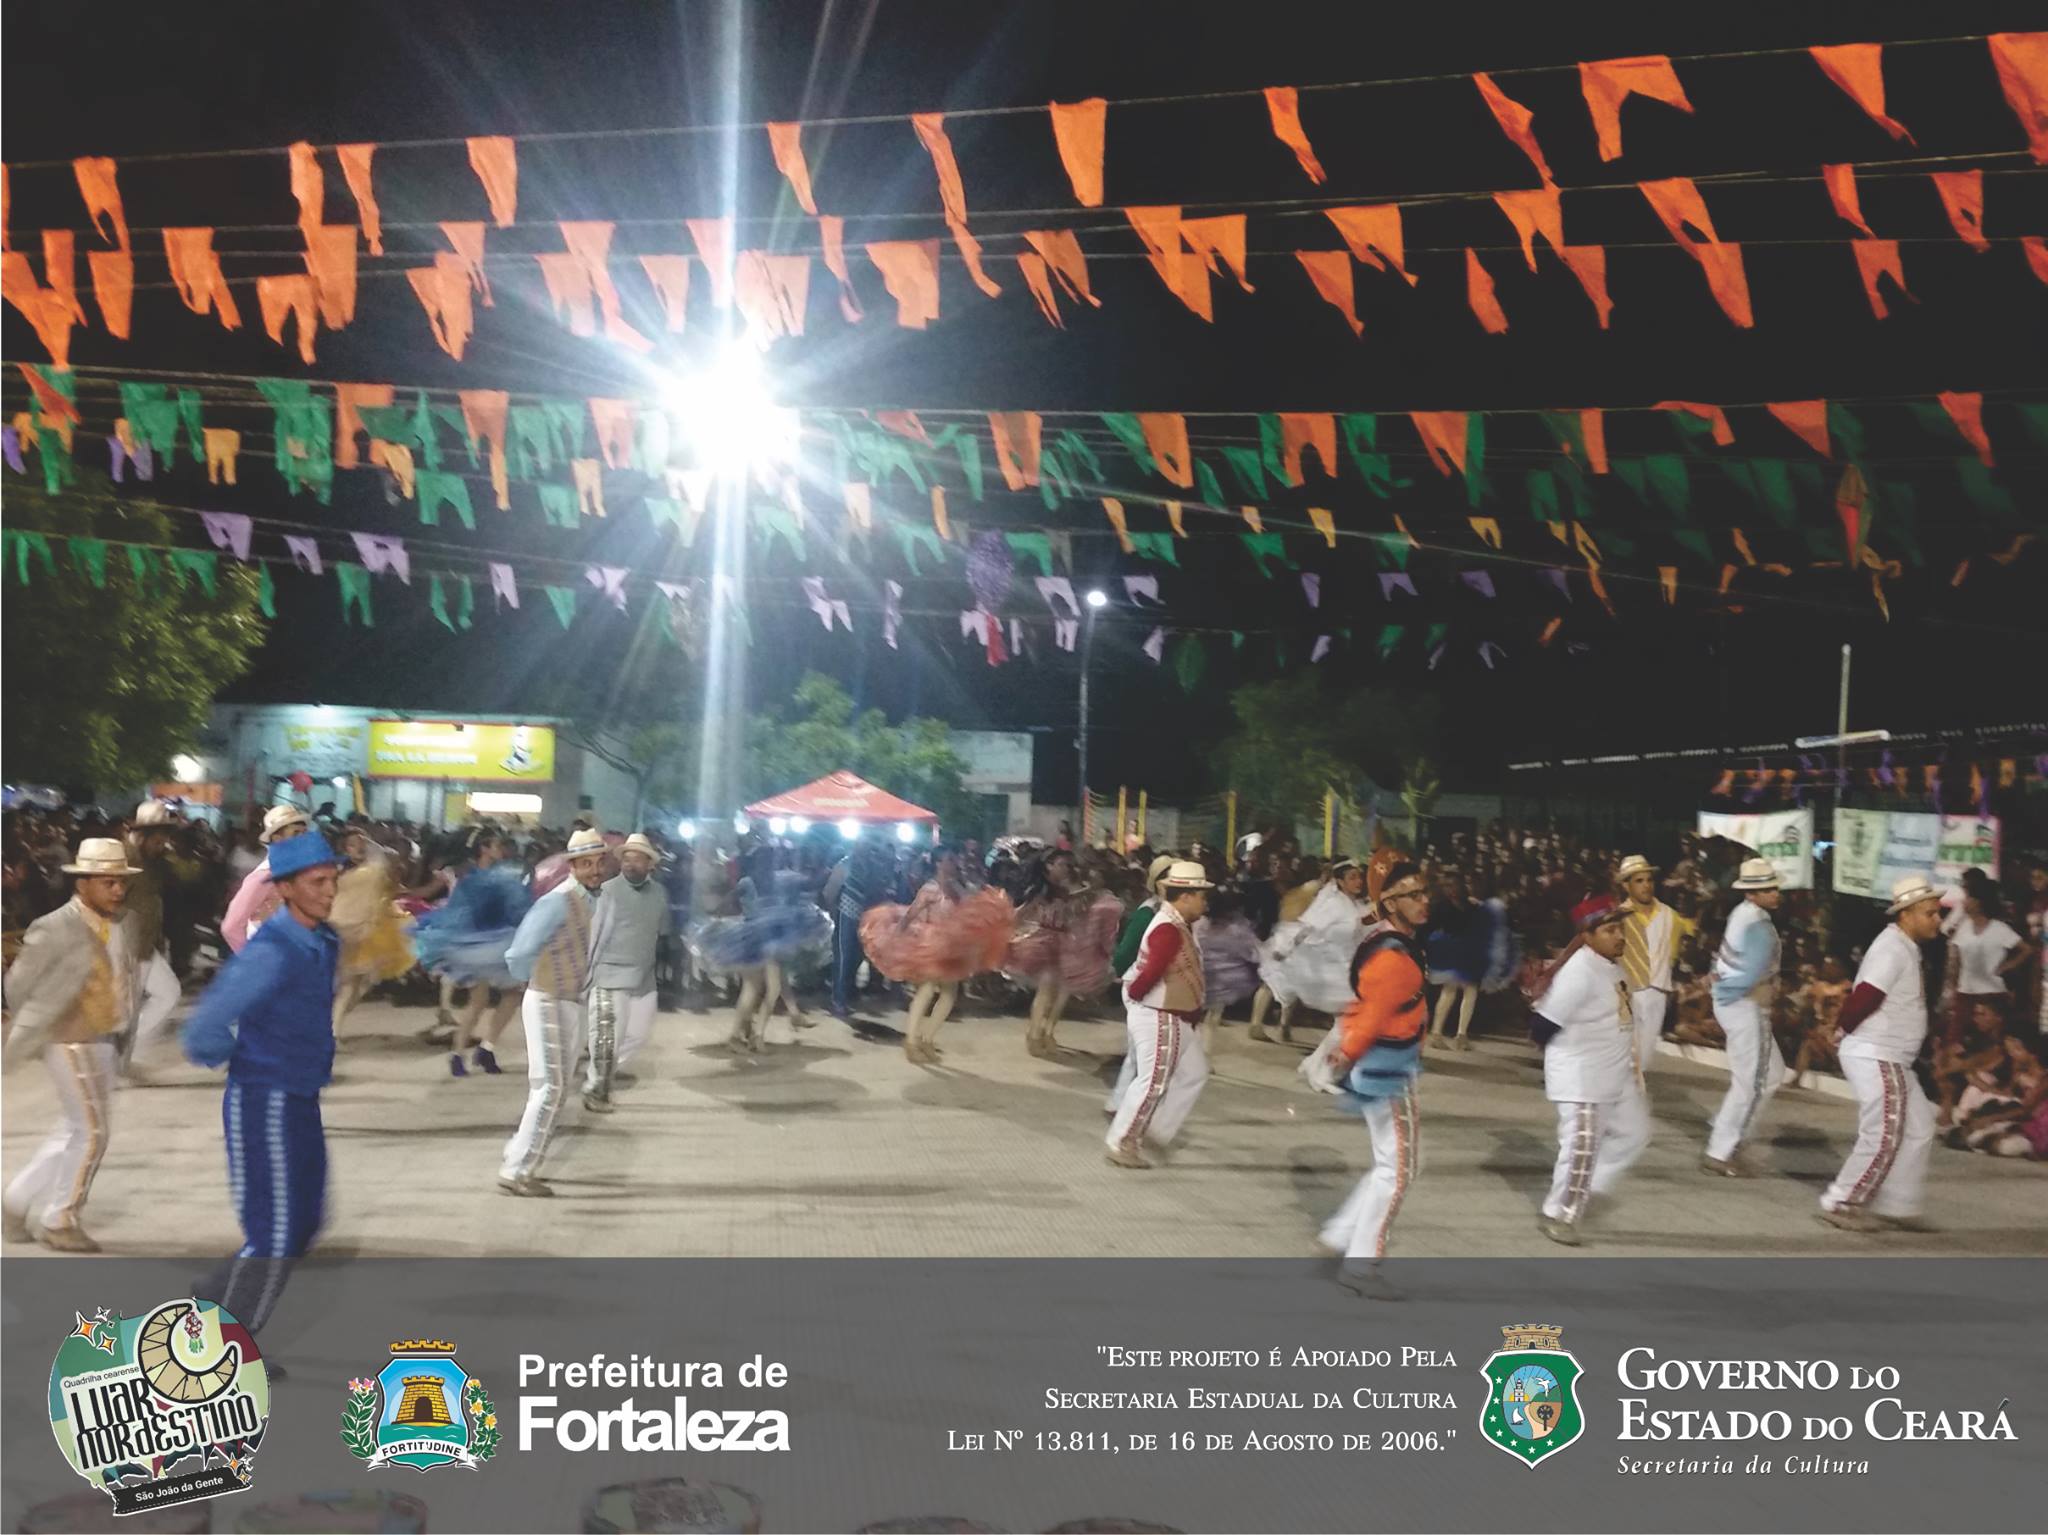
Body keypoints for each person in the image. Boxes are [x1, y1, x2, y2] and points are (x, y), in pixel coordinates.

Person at [180, 832, 342, 1333]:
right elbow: (205, 1028)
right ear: (285, 888)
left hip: (301, 1096)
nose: (329, 891)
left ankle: (213, 1298)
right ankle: (227, 1345)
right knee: (275, 1231)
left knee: (305, 1221)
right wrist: (249, 1059)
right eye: (317, 882)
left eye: (332, 880)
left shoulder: (323, 940)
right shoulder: (272, 949)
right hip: (264, 1097)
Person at [3, 838, 177, 1252]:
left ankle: (15, 1200)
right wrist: (46, 1020)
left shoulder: (127, 921)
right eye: (107, 882)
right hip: (68, 1039)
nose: (117, 890)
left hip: (106, 1037)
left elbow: (127, 975)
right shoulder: (55, 926)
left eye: (121, 882)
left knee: (74, 1128)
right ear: (82, 883)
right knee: (93, 1132)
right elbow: (17, 984)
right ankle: (60, 1218)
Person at [1317, 860, 1432, 1299]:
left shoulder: (1388, 942)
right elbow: (1374, 1014)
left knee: (1389, 1164)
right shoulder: (1392, 956)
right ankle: (1362, 1265)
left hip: (1383, 1064)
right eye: (1413, 895)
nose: (1424, 901)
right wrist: (1347, 1053)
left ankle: (1340, 1234)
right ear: (1391, 902)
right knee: (1400, 1170)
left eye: (1424, 892)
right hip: (1388, 1071)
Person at [1818, 874, 1944, 1233]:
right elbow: (1867, 995)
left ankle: (1898, 1204)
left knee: (1919, 1127)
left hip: (1891, 1055)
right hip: (1878, 1052)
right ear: (1906, 914)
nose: (1937, 920)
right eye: (1930, 913)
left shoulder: (1903, 945)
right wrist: (1842, 1029)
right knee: (1884, 1132)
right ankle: (1842, 1201)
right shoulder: (1893, 948)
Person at [1530, 897, 1651, 1247]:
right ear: (1587, 935)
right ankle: (1560, 1214)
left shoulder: (1611, 967)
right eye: (1610, 930)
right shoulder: (1580, 971)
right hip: (1583, 1077)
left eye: (1621, 928)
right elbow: (1542, 1026)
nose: (1620, 936)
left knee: (1635, 1134)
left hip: (1616, 1074)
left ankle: (1587, 1187)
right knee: (1581, 1146)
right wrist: (1570, 1059)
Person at [498, 827, 610, 1197]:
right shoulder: (558, 900)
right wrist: (533, 978)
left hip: (569, 1000)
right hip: (548, 998)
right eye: (586, 864)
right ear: (572, 866)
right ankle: (517, 1170)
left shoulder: (591, 900)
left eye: (598, 862)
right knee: (551, 1088)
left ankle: (517, 1156)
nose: (594, 870)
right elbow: (519, 952)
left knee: (551, 1088)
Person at [859, 848, 1015, 1063]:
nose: (954, 863)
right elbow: (911, 915)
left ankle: (926, 1038)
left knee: (950, 994)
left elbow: (966, 913)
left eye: (954, 859)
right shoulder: (930, 889)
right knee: (927, 989)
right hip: (930, 944)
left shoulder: (956, 888)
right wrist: (896, 940)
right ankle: (911, 1041)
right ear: (938, 863)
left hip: (951, 945)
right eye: (949, 859)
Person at [1106, 862, 1214, 1169]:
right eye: (1201, 895)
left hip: (1174, 1015)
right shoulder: (1168, 928)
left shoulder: (1177, 923)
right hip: (1161, 1014)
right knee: (1152, 1082)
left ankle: (1155, 1131)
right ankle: (1123, 1142)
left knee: (1194, 1073)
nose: (1205, 902)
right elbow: (1149, 974)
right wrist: (1140, 999)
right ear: (1186, 897)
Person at [409, 831, 532, 1076]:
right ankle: (477, 1050)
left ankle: (467, 1053)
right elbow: (506, 909)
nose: (501, 849)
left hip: (482, 944)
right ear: (484, 848)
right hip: (487, 945)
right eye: (496, 844)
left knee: (490, 999)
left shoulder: (477, 876)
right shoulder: (487, 878)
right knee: (498, 997)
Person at [1704, 857, 1786, 1177]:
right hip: (1746, 1006)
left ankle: (1726, 1126)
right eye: (1768, 889)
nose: (1775, 893)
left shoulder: (1742, 914)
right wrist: (1728, 991)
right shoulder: (1759, 926)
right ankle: (1723, 1149)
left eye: (1774, 887)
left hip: (1735, 1003)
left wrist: (1719, 985)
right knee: (1751, 1082)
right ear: (1752, 893)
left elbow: (1724, 957)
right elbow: (1752, 973)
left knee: (1771, 1073)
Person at [1005, 848, 1123, 1058]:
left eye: (1067, 865)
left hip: (1065, 943)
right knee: (1047, 991)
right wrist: (1006, 930)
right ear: (1049, 866)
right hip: (1044, 943)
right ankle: (1035, 1034)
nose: (1066, 869)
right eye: (1061, 865)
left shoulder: (1065, 891)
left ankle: (1045, 1032)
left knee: (1060, 992)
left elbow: (1079, 903)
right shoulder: (1041, 891)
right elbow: (1021, 913)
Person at [587, 832, 673, 1110]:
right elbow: (594, 935)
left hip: (644, 978)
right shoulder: (607, 891)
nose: (630, 864)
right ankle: (596, 1087)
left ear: (650, 864)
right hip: (610, 975)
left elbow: (663, 931)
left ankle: (602, 1067)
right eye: (627, 858)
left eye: (637, 859)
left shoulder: (659, 893)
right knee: (608, 1037)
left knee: (637, 1035)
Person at [1616, 853, 1695, 1083]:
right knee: (1621, 1048)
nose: (1646, 885)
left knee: (1645, 1052)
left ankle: (1628, 1091)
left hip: (1657, 991)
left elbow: (1689, 938)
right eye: (1639, 881)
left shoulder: (1670, 916)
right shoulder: (1618, 916)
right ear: (1626, 885)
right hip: (1626, 991)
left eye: (1649, 880)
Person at [327, 827, 413, 1035]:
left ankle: (331, 1027)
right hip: (340, 929)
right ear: (345, 848)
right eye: (353, 845)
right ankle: (331, 1029)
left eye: (362, 844)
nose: (359, 848)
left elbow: (392, 878)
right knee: (347, 983)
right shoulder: (336, 869)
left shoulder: (376, 868)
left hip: (367, 930)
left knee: (359, 984)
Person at [1947, 877, 2030, 1043]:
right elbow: (1957, 959)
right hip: (1965, 992)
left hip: (1992, 995)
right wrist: (1953, 985)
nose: (1965, 902)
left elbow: (2026, 949)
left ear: (1979, 902)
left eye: (1968, 897)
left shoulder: (2000, 929)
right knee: (1958, 1039)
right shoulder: (1963, 927)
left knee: (1991, 1041)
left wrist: (2007, 966)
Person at [221, 805, 313, 953]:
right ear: (277, 838)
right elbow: (231, 927)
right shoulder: (265, 877)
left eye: (304, 833)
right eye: (296, 833)